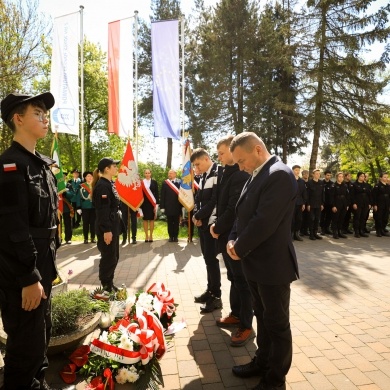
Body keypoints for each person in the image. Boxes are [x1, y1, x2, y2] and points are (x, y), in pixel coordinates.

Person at [0, 91, 75, 390]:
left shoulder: (40, 164)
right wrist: (29, 276)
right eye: (38, 113)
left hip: (43, 261)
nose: (46, 118)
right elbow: (11, 228)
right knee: (25, 342)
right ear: (18, 118)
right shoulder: (9, 166)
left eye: (46, 113)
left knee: (42, 331)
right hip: (22, 269)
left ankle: (36, 383)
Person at [227, 132, 299, 390]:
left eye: (241, 160)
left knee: (277, 325)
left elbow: (263, 222)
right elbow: (242, 214)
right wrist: (233, 238)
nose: (240, 166)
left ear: (258, 150)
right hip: (255, 263)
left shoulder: (279, 174)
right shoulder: (256, 174)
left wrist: (239, 247)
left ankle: (275, 380)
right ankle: (262, 362)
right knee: (262, 316)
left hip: (272, 266)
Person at [209, 135, 253, 347]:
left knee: (243, 282)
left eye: (222, 153)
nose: (219, 157)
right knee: (234, 279)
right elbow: (221, 202)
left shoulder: (240, 174)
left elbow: (234, 208)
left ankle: (246, 324)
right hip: (225, 234)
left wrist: (217, 228)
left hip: (234, 235)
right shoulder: (226, 172)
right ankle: (236, 314)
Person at [191, 148, 221, 313]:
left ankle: (216, 296)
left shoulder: (217, 173)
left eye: (198, 164)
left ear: (206, 159)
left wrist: (199, 215)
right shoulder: (203, 176)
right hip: (202, 222)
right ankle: (210, 291)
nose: (197, 168)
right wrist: (196, 215)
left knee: (212, 259)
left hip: (211, 224)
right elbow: (198, 198)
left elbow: (214, 200)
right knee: (207, 259)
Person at [92, 157, 121, 292]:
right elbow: (102, 210)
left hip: (112, 225)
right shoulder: (102, 186)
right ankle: (105, 286)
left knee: (114, 256)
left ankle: (109, 282)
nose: (116, 168)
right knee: (109, 257)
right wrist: (106, 230)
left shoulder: (110, 183)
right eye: (114, 166)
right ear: (107, 169)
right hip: (107, 227)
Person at [160, 169, 182, 242]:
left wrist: (183, 206)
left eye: (171, 173)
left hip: (177, 206)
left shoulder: (179, 182)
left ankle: (175, 236)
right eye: (169, 173)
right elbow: (162, 195)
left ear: (175, 174)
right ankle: (170, 236)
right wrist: (162, 206)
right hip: (168, 206)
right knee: (169, 222)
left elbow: (183, 194)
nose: (169, 175)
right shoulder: (165, 183)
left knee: (176, 222)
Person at [329, 172, 350, 239]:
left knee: (341, 218)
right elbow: (331, 196)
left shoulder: (345, 185)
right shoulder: (333, 185)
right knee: (336, 218)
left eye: (342, 177)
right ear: (336, 177)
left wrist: (347, 205)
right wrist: (333, 206)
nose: (341, 178)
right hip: (336, 203)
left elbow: (347, 195)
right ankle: (334, 232)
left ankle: (339, 231)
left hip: (343, 203)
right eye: (339, 176)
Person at [140, 168, 159, 242]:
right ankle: (146, 236)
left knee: (151, 220)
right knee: (145, 220)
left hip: (152, 203)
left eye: (149, 173)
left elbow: (157, 193)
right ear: (144, 174)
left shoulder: (154, 182)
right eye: (146, 173)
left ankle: (151, 235)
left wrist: (156, 204)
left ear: (151, 174)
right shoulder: (142, 182)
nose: (147, 174)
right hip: (144, 204)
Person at [351, 172, 371, 238]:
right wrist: (354, 203)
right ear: (358, 177)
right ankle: (356, 231)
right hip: (358, 203)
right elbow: (352, 195)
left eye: (363, 176)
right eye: (361, 176)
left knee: (363, 217)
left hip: (365, 203)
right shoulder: (354, 184)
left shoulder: (367, 185)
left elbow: (369, 195)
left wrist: (370, 203)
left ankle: (361, 231)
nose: (363, 177)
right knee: (357, 217)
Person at [306, 168, 324, 240]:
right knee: (311, 219)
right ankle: (311, 234)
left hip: (319, 204)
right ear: (313, 174)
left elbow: (322, 194)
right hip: (311, 204)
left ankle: (315, 233)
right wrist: (308, 204)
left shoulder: (321, 183)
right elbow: (307, 195)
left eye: (319, 174)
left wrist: (322, 204)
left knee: (317, 219)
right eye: (316, 174)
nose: (318, 175)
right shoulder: (309, 183)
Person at [291, 165, 307, 241]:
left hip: (300, 202)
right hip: (291, 202)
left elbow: (304, 193)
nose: (297, 172)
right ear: (292, 170)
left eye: (298, 170)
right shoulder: (289, 180)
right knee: (292, 219)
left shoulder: (302, 181)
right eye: (296, 170)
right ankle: (291, 234)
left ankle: (296, 234)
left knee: (299, 219)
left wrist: (303, 203)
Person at [372, 172, 390, 237]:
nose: (386, 178)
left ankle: (383, 229)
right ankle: (378, 231)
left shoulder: (388, 186)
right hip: (379, 204)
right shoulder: (377, 186)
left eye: (387, 177)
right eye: (384, 177)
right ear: (381, 178)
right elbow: (374, 196)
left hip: (386, 204)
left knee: (385, 217)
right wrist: (375, 204)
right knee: (379, 217)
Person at [80, 171, 96, 244]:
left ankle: (93, 237)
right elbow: (79, 197)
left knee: (93, 223)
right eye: (88, 176)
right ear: (85, 178)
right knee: (85, 223)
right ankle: (85, 238)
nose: (90, 177)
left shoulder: (95, 185)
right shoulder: (82, 186)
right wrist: (78, 207)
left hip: (93, 207)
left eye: (91, 176)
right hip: (85, 207)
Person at [61, 172, 74, 245]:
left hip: (66, 206)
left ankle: (68, 238)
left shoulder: (68, 185)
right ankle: (58, 238)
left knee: (68, 223)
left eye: (63, 176)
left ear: (65, 177)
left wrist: (65, 192)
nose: (62, 177)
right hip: (57, 207)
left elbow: (72, 195)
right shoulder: (55, 184)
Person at [320, 170, 333, 235]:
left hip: (330, 203)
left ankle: (327, 228)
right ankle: (322, 229)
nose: (329, 176)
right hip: (323, 203)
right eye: (327, 175)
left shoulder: (332, 184)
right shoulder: (321, 183)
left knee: (329, 216)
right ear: (325, 175)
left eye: (330, 175)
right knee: (322, 216)